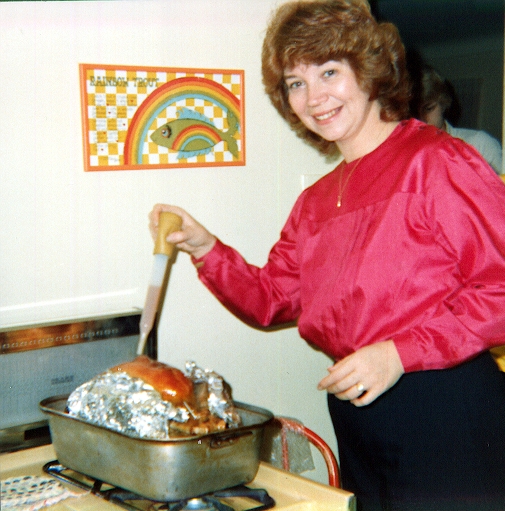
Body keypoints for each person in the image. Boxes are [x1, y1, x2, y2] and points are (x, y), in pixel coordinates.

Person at [149, 1, 505, 509]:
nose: (313, 97)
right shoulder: (315, 201)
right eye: (296, 83)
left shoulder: (436, 161)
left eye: (329, 72)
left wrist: (399, 353)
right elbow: (271, 299)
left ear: (370, 71)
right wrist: (206, 248)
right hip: (357, 408)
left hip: (444, 406)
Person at [412, 64, 503, 174]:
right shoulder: (408, 156)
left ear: (443, 102)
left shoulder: (478, 144)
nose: (422, 120)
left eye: (429, 109)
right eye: (415, 114)